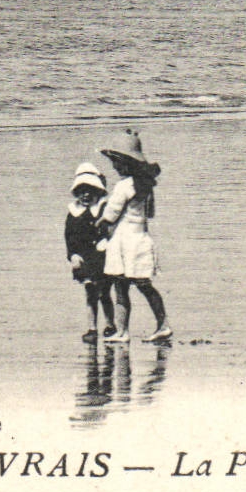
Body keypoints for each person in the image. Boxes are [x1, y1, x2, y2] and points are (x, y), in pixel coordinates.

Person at [97, 130, 172, 344]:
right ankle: (162, 324)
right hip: (141, 239)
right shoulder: (146, 186)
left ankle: (123, 332)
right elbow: (150, 214)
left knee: (120, 288)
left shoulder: (123, 186)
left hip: (123, 241)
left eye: (116, 162)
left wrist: (98, 224)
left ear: (126, 163)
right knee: (144, 285)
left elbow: (110, 215)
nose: (114, 166)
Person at [65, 162, 116, 343]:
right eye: (81, 191)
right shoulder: (74, 212)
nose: (86, 195)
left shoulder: (102, 209)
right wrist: (73, 255)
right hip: (84, 258)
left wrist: (106, 241)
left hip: (102, 257)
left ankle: (110, 325)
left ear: (98, 192)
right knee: (89, 292)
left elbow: (110, 230)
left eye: (90, 191)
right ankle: (92, 328)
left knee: (104, 292)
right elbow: (69, 237)